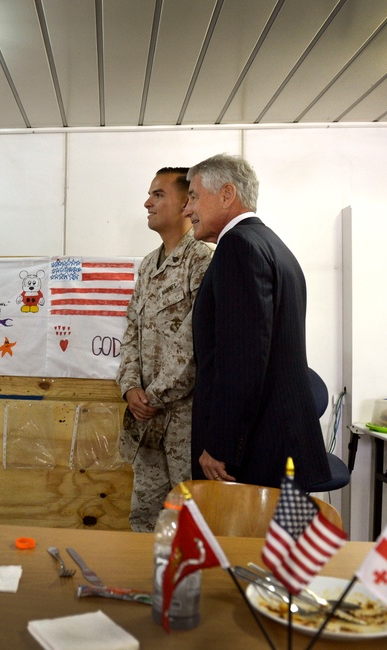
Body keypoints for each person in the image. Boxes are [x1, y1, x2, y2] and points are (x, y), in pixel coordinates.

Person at [186, 153, 329, 489]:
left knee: (241, 544)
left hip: (255, 452)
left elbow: (243, 361)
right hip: (276, 441)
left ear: (226, 194)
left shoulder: (238, 246)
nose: (187, 209)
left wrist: (220, 445)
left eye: (193, 196)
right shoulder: (271, 244)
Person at [116, 167, 212, 532]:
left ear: (187, 202)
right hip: (146, 420)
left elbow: (194, 343)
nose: (147, 202)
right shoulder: (147, 265)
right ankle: (145, 586)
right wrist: (129, 387)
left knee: (189, 523)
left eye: (158, 194)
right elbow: (131, 331)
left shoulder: (202, 260)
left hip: (185, 422)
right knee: (144, 520)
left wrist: (153, 396)